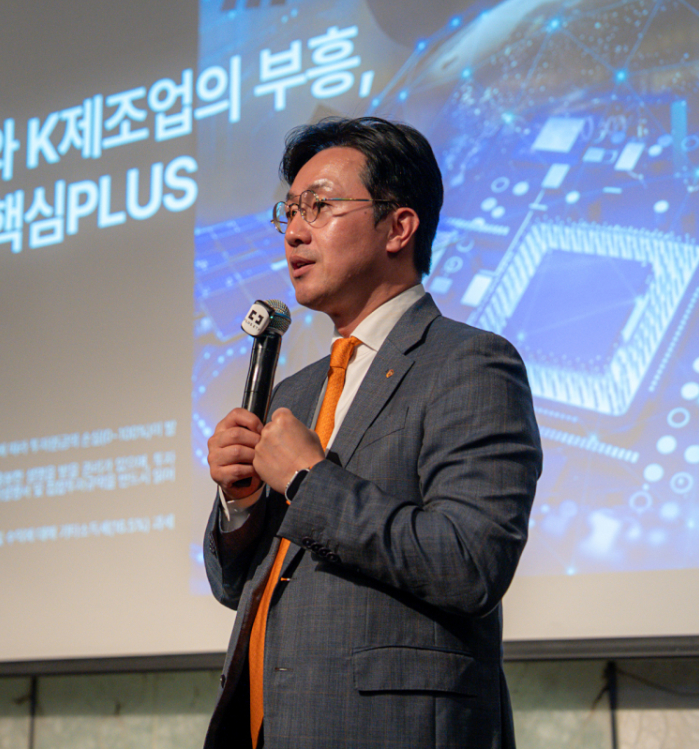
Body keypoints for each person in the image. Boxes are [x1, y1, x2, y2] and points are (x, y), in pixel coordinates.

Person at [202, 116, 543, 749]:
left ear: (399, 227)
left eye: (319, 206)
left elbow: (471, 564)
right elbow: (235, 589)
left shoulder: (470, 363)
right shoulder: (294, 392)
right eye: (289, 211)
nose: (294, 231)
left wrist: (308, 480)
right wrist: (241, 502)